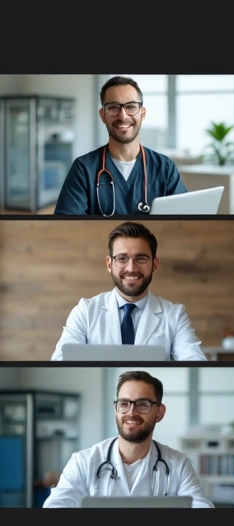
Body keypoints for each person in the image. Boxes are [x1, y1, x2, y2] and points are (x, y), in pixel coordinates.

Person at [43, 370, 214, 508]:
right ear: (116, 409)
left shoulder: (178, 464)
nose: (131, 412)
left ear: (159, 413)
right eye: (124, 403)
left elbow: (200, 506)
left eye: (142, 404)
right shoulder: (82, 462)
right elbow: (56, 504)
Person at [51, 221, 207, 361]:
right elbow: (60, 361)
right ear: (109, 264)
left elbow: (195, 361)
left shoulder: (175, 315)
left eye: (141, 259)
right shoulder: (85, 311)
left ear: (154, 264)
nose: (131, 268)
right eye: (122, 259)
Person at [54, 76, 187, 216]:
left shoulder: (164, 168)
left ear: (142, 113)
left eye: (131, 107)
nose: (123, 116)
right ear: (103, 115)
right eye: (113, 107)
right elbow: (66, 223)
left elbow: (185, 218)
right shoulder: (84, 169)